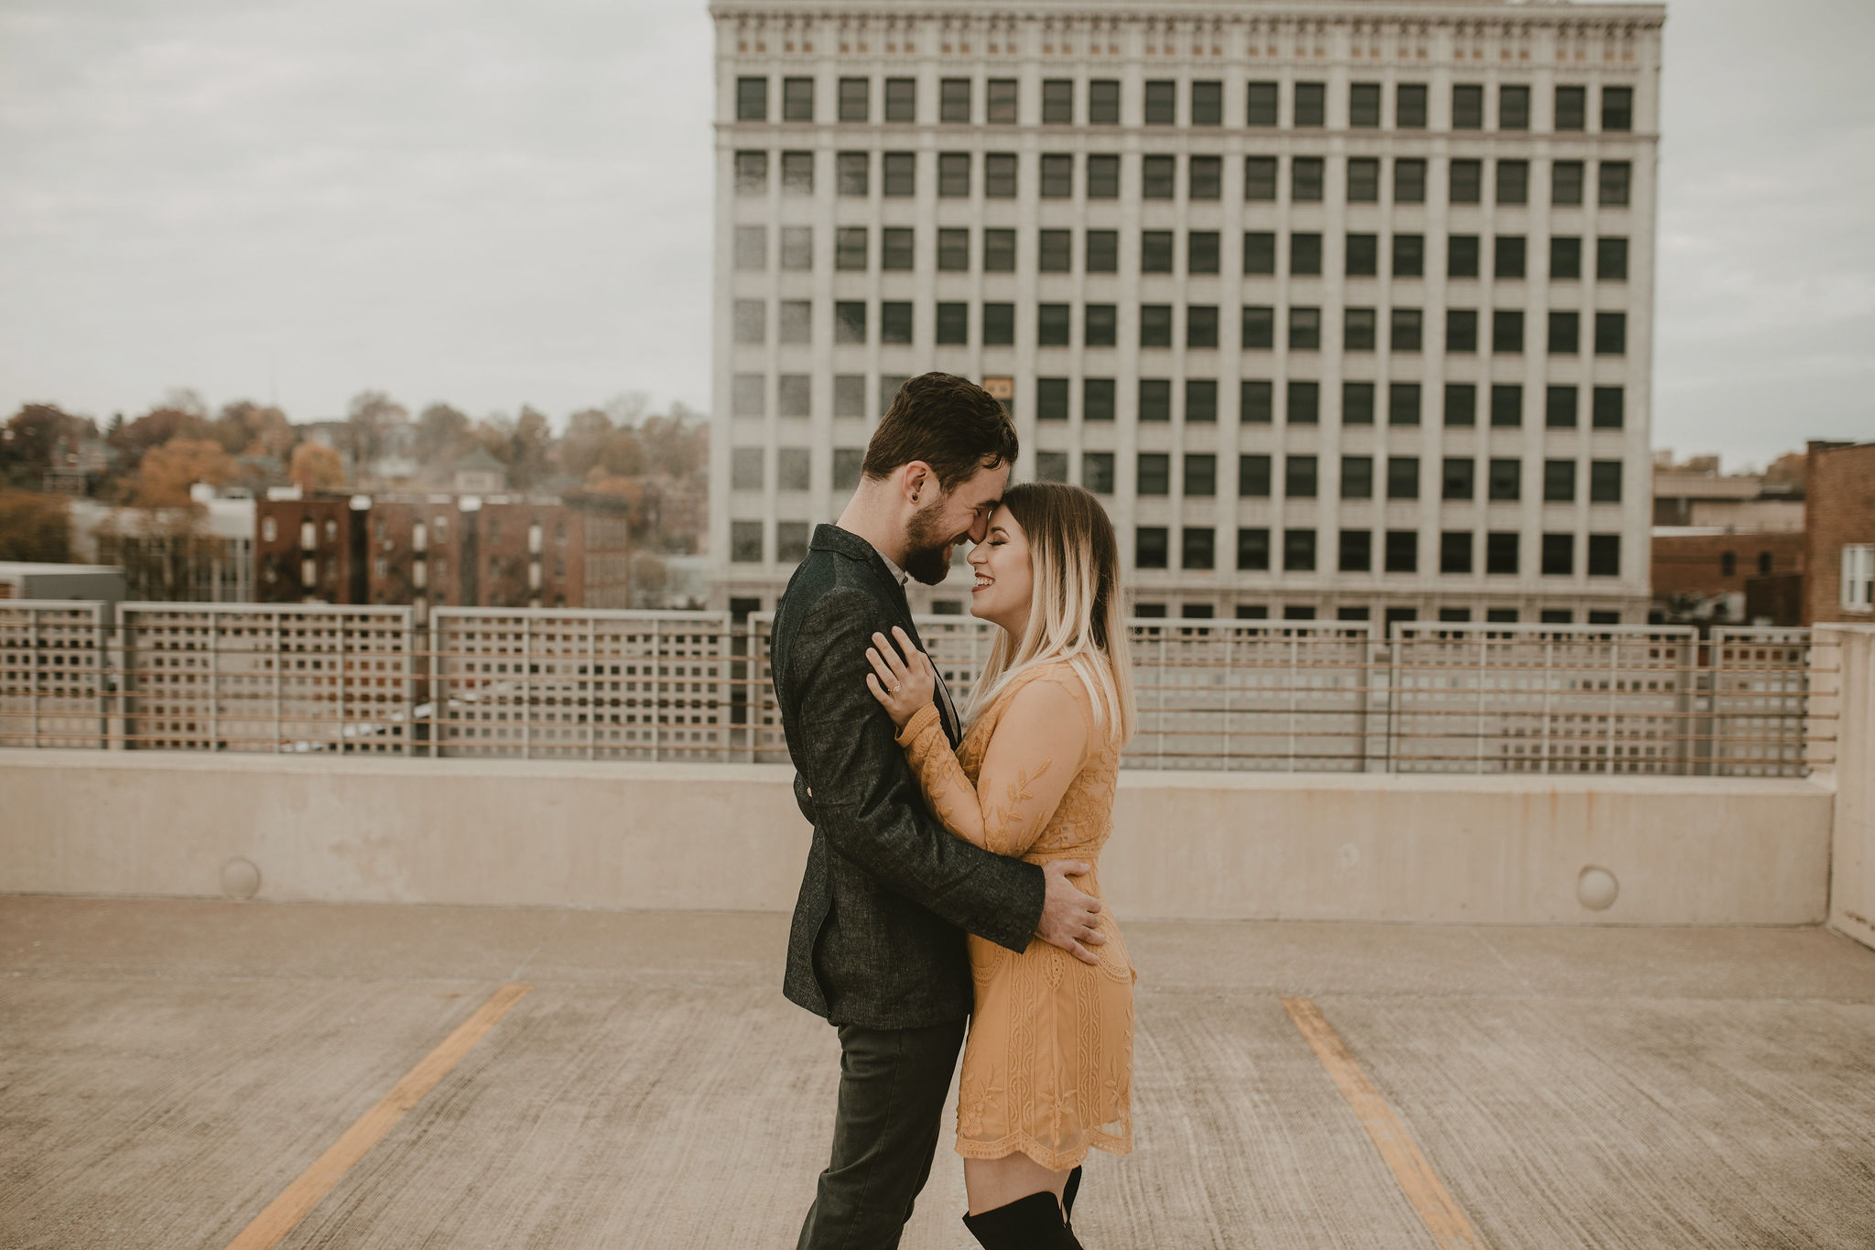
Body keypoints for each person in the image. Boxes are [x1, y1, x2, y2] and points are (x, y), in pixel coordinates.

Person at [770, 373, 1109, 1250]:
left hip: (909, 953)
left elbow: (839, 790)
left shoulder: (857, 589)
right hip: (892, 966)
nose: (972, 538)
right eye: (978, 508)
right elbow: (867, 819)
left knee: (935, 1197)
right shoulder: (847, 603)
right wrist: (1024, 900)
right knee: (868, 1201)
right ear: (917, 482)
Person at [865, 480, 1137, 1248]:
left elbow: (991, 839)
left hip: (1042, 978)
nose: (973, 556)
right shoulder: (1050, 677)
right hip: (1040, 967)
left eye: (997, 541)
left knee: (1010, 1220)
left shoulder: (1054, 686)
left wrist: (918, 720)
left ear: (1052, 563)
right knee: (1030, 1221)